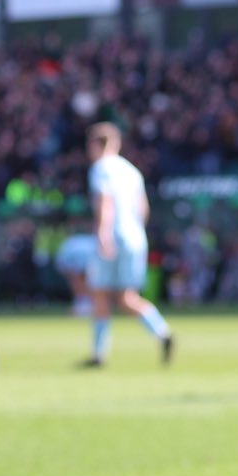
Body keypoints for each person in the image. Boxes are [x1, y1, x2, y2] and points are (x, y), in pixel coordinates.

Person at [83, 122, 174, 367]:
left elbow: (105, 201)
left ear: (96, 144)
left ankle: (98, 354)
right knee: (126, 298)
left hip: (112, 235)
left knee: (100, 294)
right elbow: (143, 209)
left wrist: (103, 233)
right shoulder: (132, 171)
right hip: (135, 238)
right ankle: (162, 331)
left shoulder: (101, 168)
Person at [54, 225, 98, 316]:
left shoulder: (72, 242)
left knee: (88, 285)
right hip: (80, 268)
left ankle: (88, 306)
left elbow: (62, 260)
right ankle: (83, 305)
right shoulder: (73, 242)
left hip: (88, 268)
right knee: (83, 284)